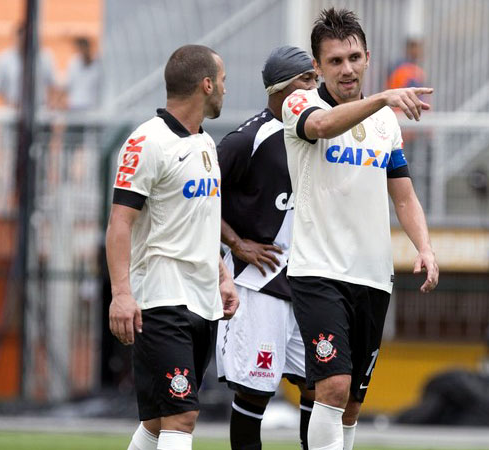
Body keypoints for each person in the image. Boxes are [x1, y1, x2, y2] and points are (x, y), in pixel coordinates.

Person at [281, 8, 439, 450]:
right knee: (331, 387)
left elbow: (403, 195)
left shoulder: (386, 122)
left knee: (351, 403)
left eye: (353, 57)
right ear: (317, 67)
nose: (346, 68)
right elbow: (322, 126)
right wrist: (385, 98)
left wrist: (424, 247)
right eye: (334, 61)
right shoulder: (302, 103)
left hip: (372, 276)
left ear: (367, 57)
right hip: (319, 272)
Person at [105, 44, 239, 450]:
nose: (225, 90)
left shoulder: (204, 144)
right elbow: (119, 223)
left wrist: (221, 274)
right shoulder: (147, 141)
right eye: (223, 81)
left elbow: (197, 224)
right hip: (161, 299)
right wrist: (122, 295)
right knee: (182, 415)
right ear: (206, 84)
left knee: (157, 421)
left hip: (201, 298)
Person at [215, 45, 319, 450]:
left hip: (308, 283)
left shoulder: (315, 131)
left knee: (321, 385)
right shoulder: (246, 139)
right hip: (259, 285)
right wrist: (238, 244)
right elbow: (200, 200)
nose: (314, 89)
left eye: (315, 80)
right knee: (255, 392)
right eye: (305, 81)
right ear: (279, 89)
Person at [0, 23, 58, 108]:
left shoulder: (45, 57)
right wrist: (10, 103)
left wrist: (50, 104)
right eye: (21, 39)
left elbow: (52, 84)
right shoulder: (3, 59)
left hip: (39, 106)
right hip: (13, 107)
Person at [62, 36, 102, 151]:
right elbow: (67, 86)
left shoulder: (99, 64)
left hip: (92, 111)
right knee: (69, 145)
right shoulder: (74, 63)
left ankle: (92, 169)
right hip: (75, 110)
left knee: (92, 147)